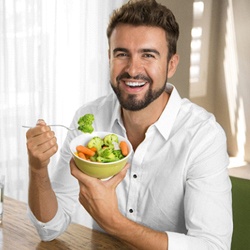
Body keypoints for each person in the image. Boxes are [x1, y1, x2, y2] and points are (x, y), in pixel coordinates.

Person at [25, 0, 233, 249]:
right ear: (109, 58)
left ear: (171, 64)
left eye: (148, 55)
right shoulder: (90, 117)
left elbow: (213, 246)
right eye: (122, 54)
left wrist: (114, 222)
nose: (133, 69)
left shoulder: (203, 136)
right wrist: (38, 168)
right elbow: (49, 228)